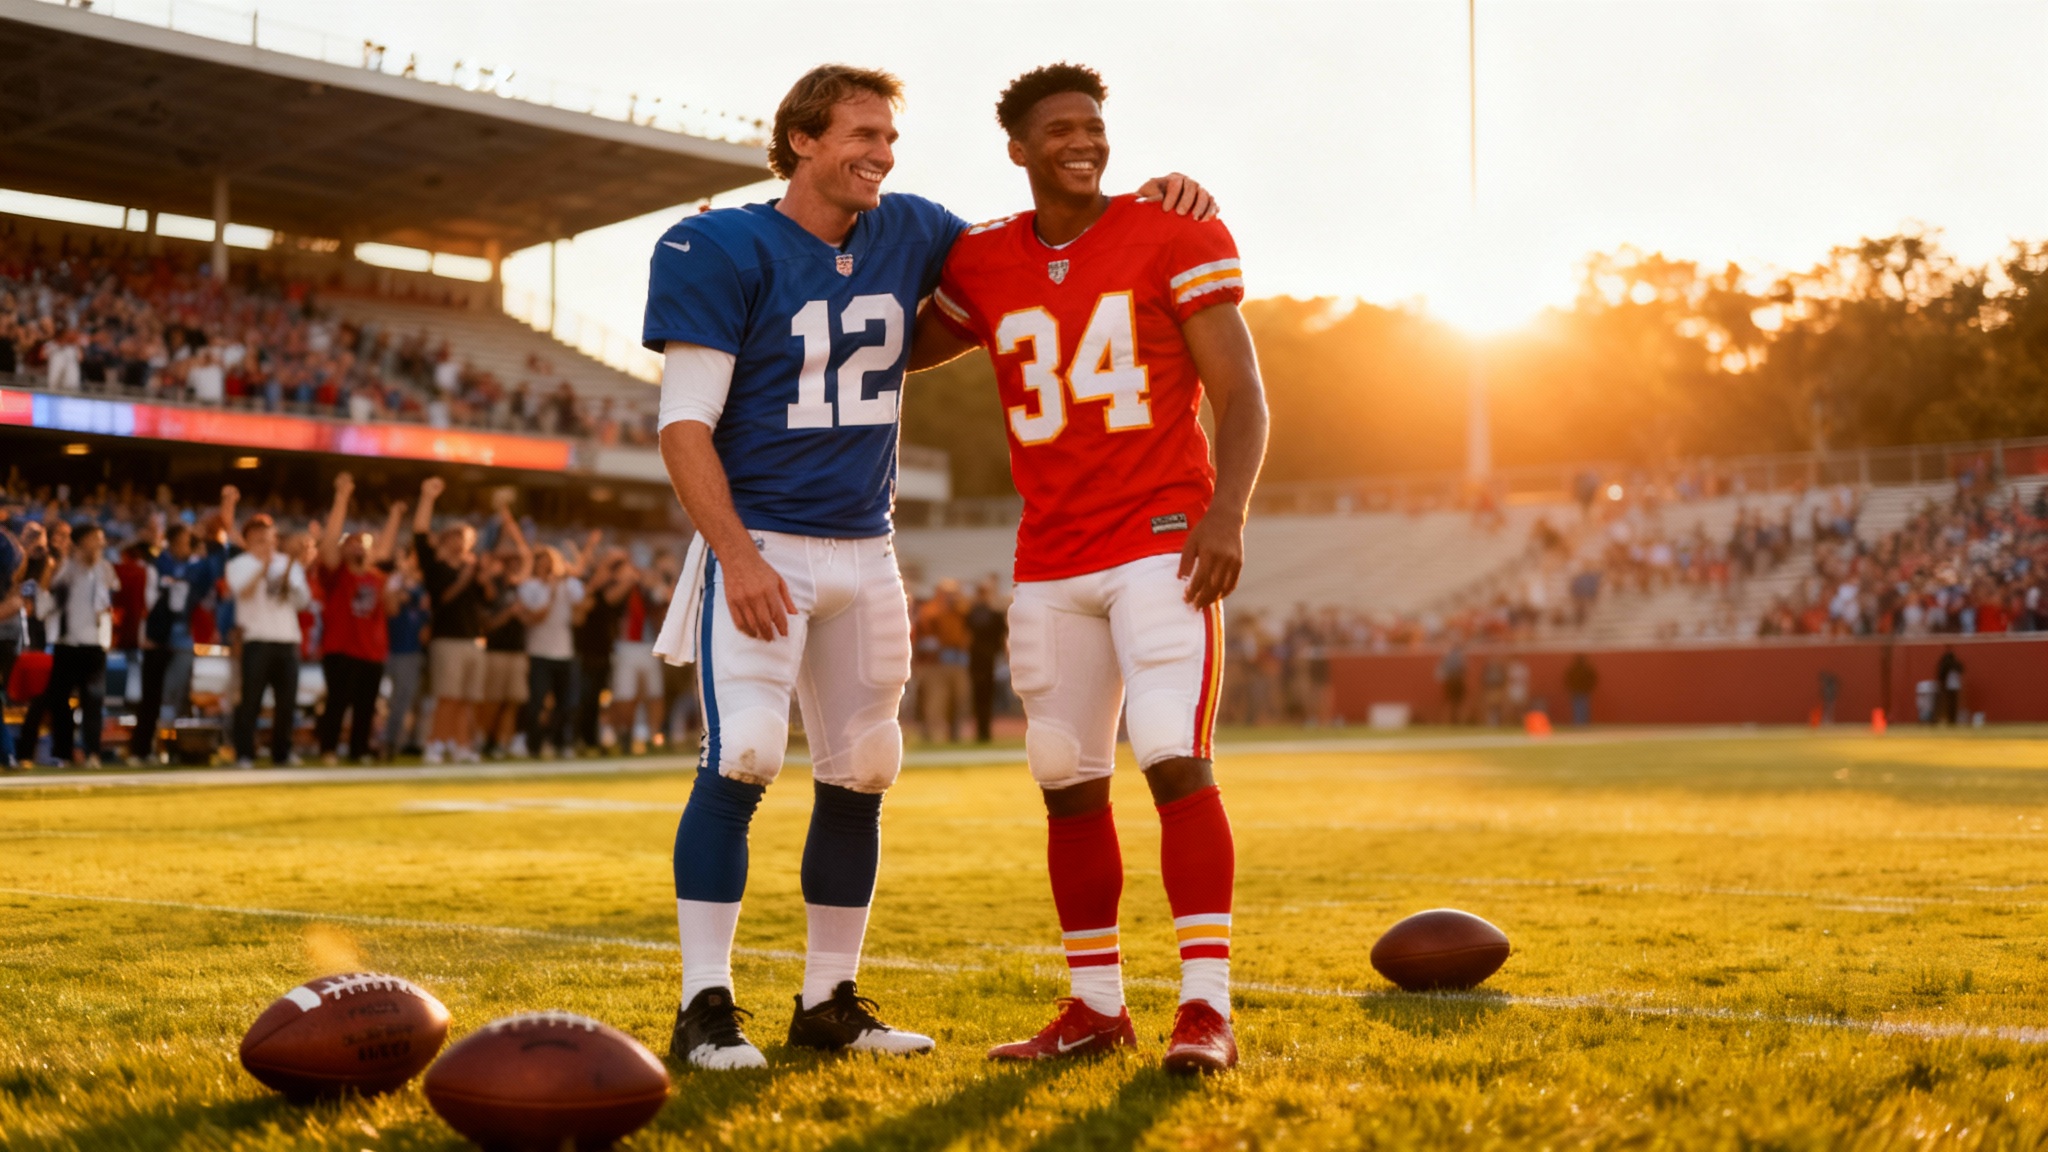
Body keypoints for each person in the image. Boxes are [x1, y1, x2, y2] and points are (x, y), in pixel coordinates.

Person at [639, 65, 1217, 1069]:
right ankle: (703, 1007)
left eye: (890, 138)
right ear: (803, 140)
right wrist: (735, 555)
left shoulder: (913, 231)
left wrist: (1153, 195)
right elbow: (681, 426)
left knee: (861, 768)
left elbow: (1048, 238)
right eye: (861, 134)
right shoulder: (717, 243)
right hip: (764, 541)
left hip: (865, 544)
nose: (881, 153)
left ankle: (827, 999)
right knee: (740, 761)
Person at [910, 63, 1261, 1074]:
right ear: (1016, 149)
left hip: (1159, 534)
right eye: (1059, 128)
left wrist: (1225, 512)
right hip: (1050, 552)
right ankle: (1094, 1007)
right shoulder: (979, 259)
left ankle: (1205, 1007)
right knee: (1063, 773)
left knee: (1168, 749)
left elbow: (1242, 394)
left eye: (1094, 126)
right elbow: (892, 340)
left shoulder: (1171, 231)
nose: (1084, 141)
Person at [130, 488, 236, 763]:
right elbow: (147, 602)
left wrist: (224, 514)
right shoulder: (158, 565)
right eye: (184, 541)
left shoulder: (192, 568)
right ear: (173, 543)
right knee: (153, 697)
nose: (187, 547)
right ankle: (144, 749)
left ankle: (174, 749)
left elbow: (217, 563)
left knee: (176, 695)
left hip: (181, 635)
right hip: (157, 636)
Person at [312, 474, 405, 765]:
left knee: (366, 706)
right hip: (341, 647)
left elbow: (390, 608)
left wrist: (395, 516)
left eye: (363, 543)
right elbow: (328, 546)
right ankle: (328, 749)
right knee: (337, 703)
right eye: (352, 543)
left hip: (372, 650)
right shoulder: (337, 574)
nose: (359, 547)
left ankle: (359, 750)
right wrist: (341, 497)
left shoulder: (377, 577)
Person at [411, 477, 498, 765]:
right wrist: (427, 497)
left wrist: (483, 581)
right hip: (447, 638)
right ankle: (434, 743)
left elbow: (489, 601)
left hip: (474, 638)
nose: (460, 544)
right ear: (446, 540)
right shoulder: (437, 567)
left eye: (464, 539)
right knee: (447, 696)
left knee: (466, 699)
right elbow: (420, 536)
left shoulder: (472, 568)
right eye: (455, 538)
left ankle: (461, 745)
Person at [225, 514, 311, 768]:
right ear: (248, 539)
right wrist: (263, 566)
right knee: (250, 700)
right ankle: (244, 753)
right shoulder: (240, 563)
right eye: (258, 537)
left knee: (287, 702)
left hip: (286, 639)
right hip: (256, 639)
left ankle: (282, 752)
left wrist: (288, 568)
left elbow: (301, 601)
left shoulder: (287, 563)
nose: (265, 541)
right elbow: (243, 591)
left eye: (268, 536)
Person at [29, 522, 118, 767]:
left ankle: (93, 753)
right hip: (67, 642)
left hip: (94, 644)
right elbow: (46, 603)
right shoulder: (65, 570)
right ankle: (64, 753)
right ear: (80, 543)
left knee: (93, 701)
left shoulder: (104, 569)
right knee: (60, 701)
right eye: (93, 539)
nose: (99, 544)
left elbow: (111, 600)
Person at [475, 497, 533, 759]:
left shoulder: (521, 586)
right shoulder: (494, 585)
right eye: (508, 561)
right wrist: (509, 614)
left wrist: (511, 524)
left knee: (513, 700)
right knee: (492, 700)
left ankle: (502, 742)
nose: (513, 564)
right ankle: (485, 740)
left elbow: (526, 555)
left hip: (518, 649)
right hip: (496, 649)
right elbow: (487, 623)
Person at [517, 544, 583, 758]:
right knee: (537, 701)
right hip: (539, 652)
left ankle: (561, 743)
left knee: (565, 703)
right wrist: (552, 591)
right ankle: (533, 745)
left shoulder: (567, 585)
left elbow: (582, 605)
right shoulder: (529, 587)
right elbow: (538, 615)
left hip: (564, 652)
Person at [380, 551, 432, 759]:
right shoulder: (389, 583)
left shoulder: (421, 591)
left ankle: (392, 743)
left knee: (402, 700)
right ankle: (379, 741)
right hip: (384, 649)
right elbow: (391, 610)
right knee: (384, 701)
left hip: (409, 652)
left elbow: (425, 632)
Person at [915, 579, 972, 742]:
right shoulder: (930, 609)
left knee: (960, 699)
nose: (952, 597)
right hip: (936, 664)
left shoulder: (961, 611)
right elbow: (928, 623)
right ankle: (935, 736)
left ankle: (956, 735)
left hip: (959, 662)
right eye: (948, 594)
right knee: (936, 701)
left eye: (954, 593)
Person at [966, 577, 1008, 743]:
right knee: (981, 697)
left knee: (984, 697)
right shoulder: (980, 613)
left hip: (983, 659)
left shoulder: (980, 613)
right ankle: (982, 732)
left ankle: (984, 731)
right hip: (981, 659)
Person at [1564, 653, 1598, 727]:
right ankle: (1583, 723)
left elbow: (1567, 679)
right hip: (1582, 690)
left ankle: (1578, 723)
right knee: (1584, 707)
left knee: (1578, 707)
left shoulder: (1573, 669)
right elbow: (1593, 678)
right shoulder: (1587, 669)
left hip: (1577, 690)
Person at [1933, 647, 1964, 725]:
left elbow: (1941, 674)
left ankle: (1946, 719)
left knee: (1945, 704)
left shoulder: (1950, 666)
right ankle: (1945, 719)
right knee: (1949, 704)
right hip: (1949, 686)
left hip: (1947, 686)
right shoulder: (1953, 666)